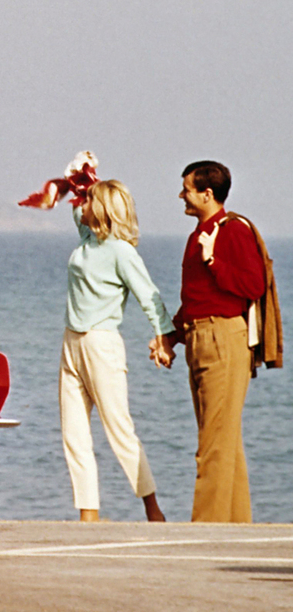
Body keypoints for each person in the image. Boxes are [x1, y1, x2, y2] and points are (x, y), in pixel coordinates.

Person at [153, 161, 265, 522]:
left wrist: (213, 260)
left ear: (207, 194)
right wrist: (171, 337)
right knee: (222, 440)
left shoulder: (233, 231)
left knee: (213, 445)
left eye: (186, 190)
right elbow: (196, 298)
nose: (181, 196)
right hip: (199, 337)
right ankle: (236, 527)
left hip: (223, 338)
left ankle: (204, 528)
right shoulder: (197, 235)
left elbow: (253, 286)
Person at [60, 180, 171, 522]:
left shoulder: (122, 252)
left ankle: (153, 510)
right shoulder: (87, 239)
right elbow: (76, 205)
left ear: (103, 208)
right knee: (74, 433)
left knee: (119, 429)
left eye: (89, 200)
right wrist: (81, 175)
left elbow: (148, 295)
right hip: (71, 342)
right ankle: (88, 514)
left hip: (101, 343)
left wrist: (163, 337)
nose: (82, 204)